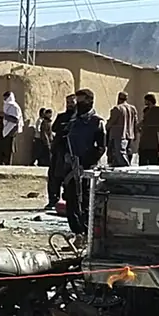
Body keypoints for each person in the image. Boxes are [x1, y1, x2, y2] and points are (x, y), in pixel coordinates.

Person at [62, 88, 106, 243]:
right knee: (71, 202)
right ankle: (77, 234)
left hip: (87, 170)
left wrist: (85, 163)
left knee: (85, 202)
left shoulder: (97, 122)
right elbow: (64, 141)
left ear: (89, 101)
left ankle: (87, 234)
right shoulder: (73, 122)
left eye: (82, 101)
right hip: (71, 168)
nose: (79, 104)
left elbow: (100, 147)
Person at [46, 95, 76, 210]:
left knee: (68, 178)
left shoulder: (78, 118)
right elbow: (54, 128)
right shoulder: (62, 116)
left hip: (71, 152)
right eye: (68, 102)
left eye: (72, 102)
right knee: (53, 176)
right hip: (59, 150)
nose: (69, 104)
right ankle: (53, 200)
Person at [106, 92, 140, 167]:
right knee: (127, 153)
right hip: (130, 135)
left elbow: (111, 122)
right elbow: (136, 123)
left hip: (119, 135)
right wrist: (135, 134)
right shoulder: (132, 108)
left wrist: (106, 126)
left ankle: (126, 169)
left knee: (120, 153)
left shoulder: (117, 108)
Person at [137, 94, 159, 166]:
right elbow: (143, 122)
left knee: (153, 162)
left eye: (145, 100)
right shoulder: (146, 110)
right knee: (143, 162)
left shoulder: (158, 110)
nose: (144, 102)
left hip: (154, 140)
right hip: (144, 141)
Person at [0, 92, 23, 165]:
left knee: (8, 149)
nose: (4, 99)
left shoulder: (14, 107)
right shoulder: (7, 106)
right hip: (4, 129)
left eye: (6, 98)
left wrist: (4, 116)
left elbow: (15, 120)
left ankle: (7, 164)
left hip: (11, 131)